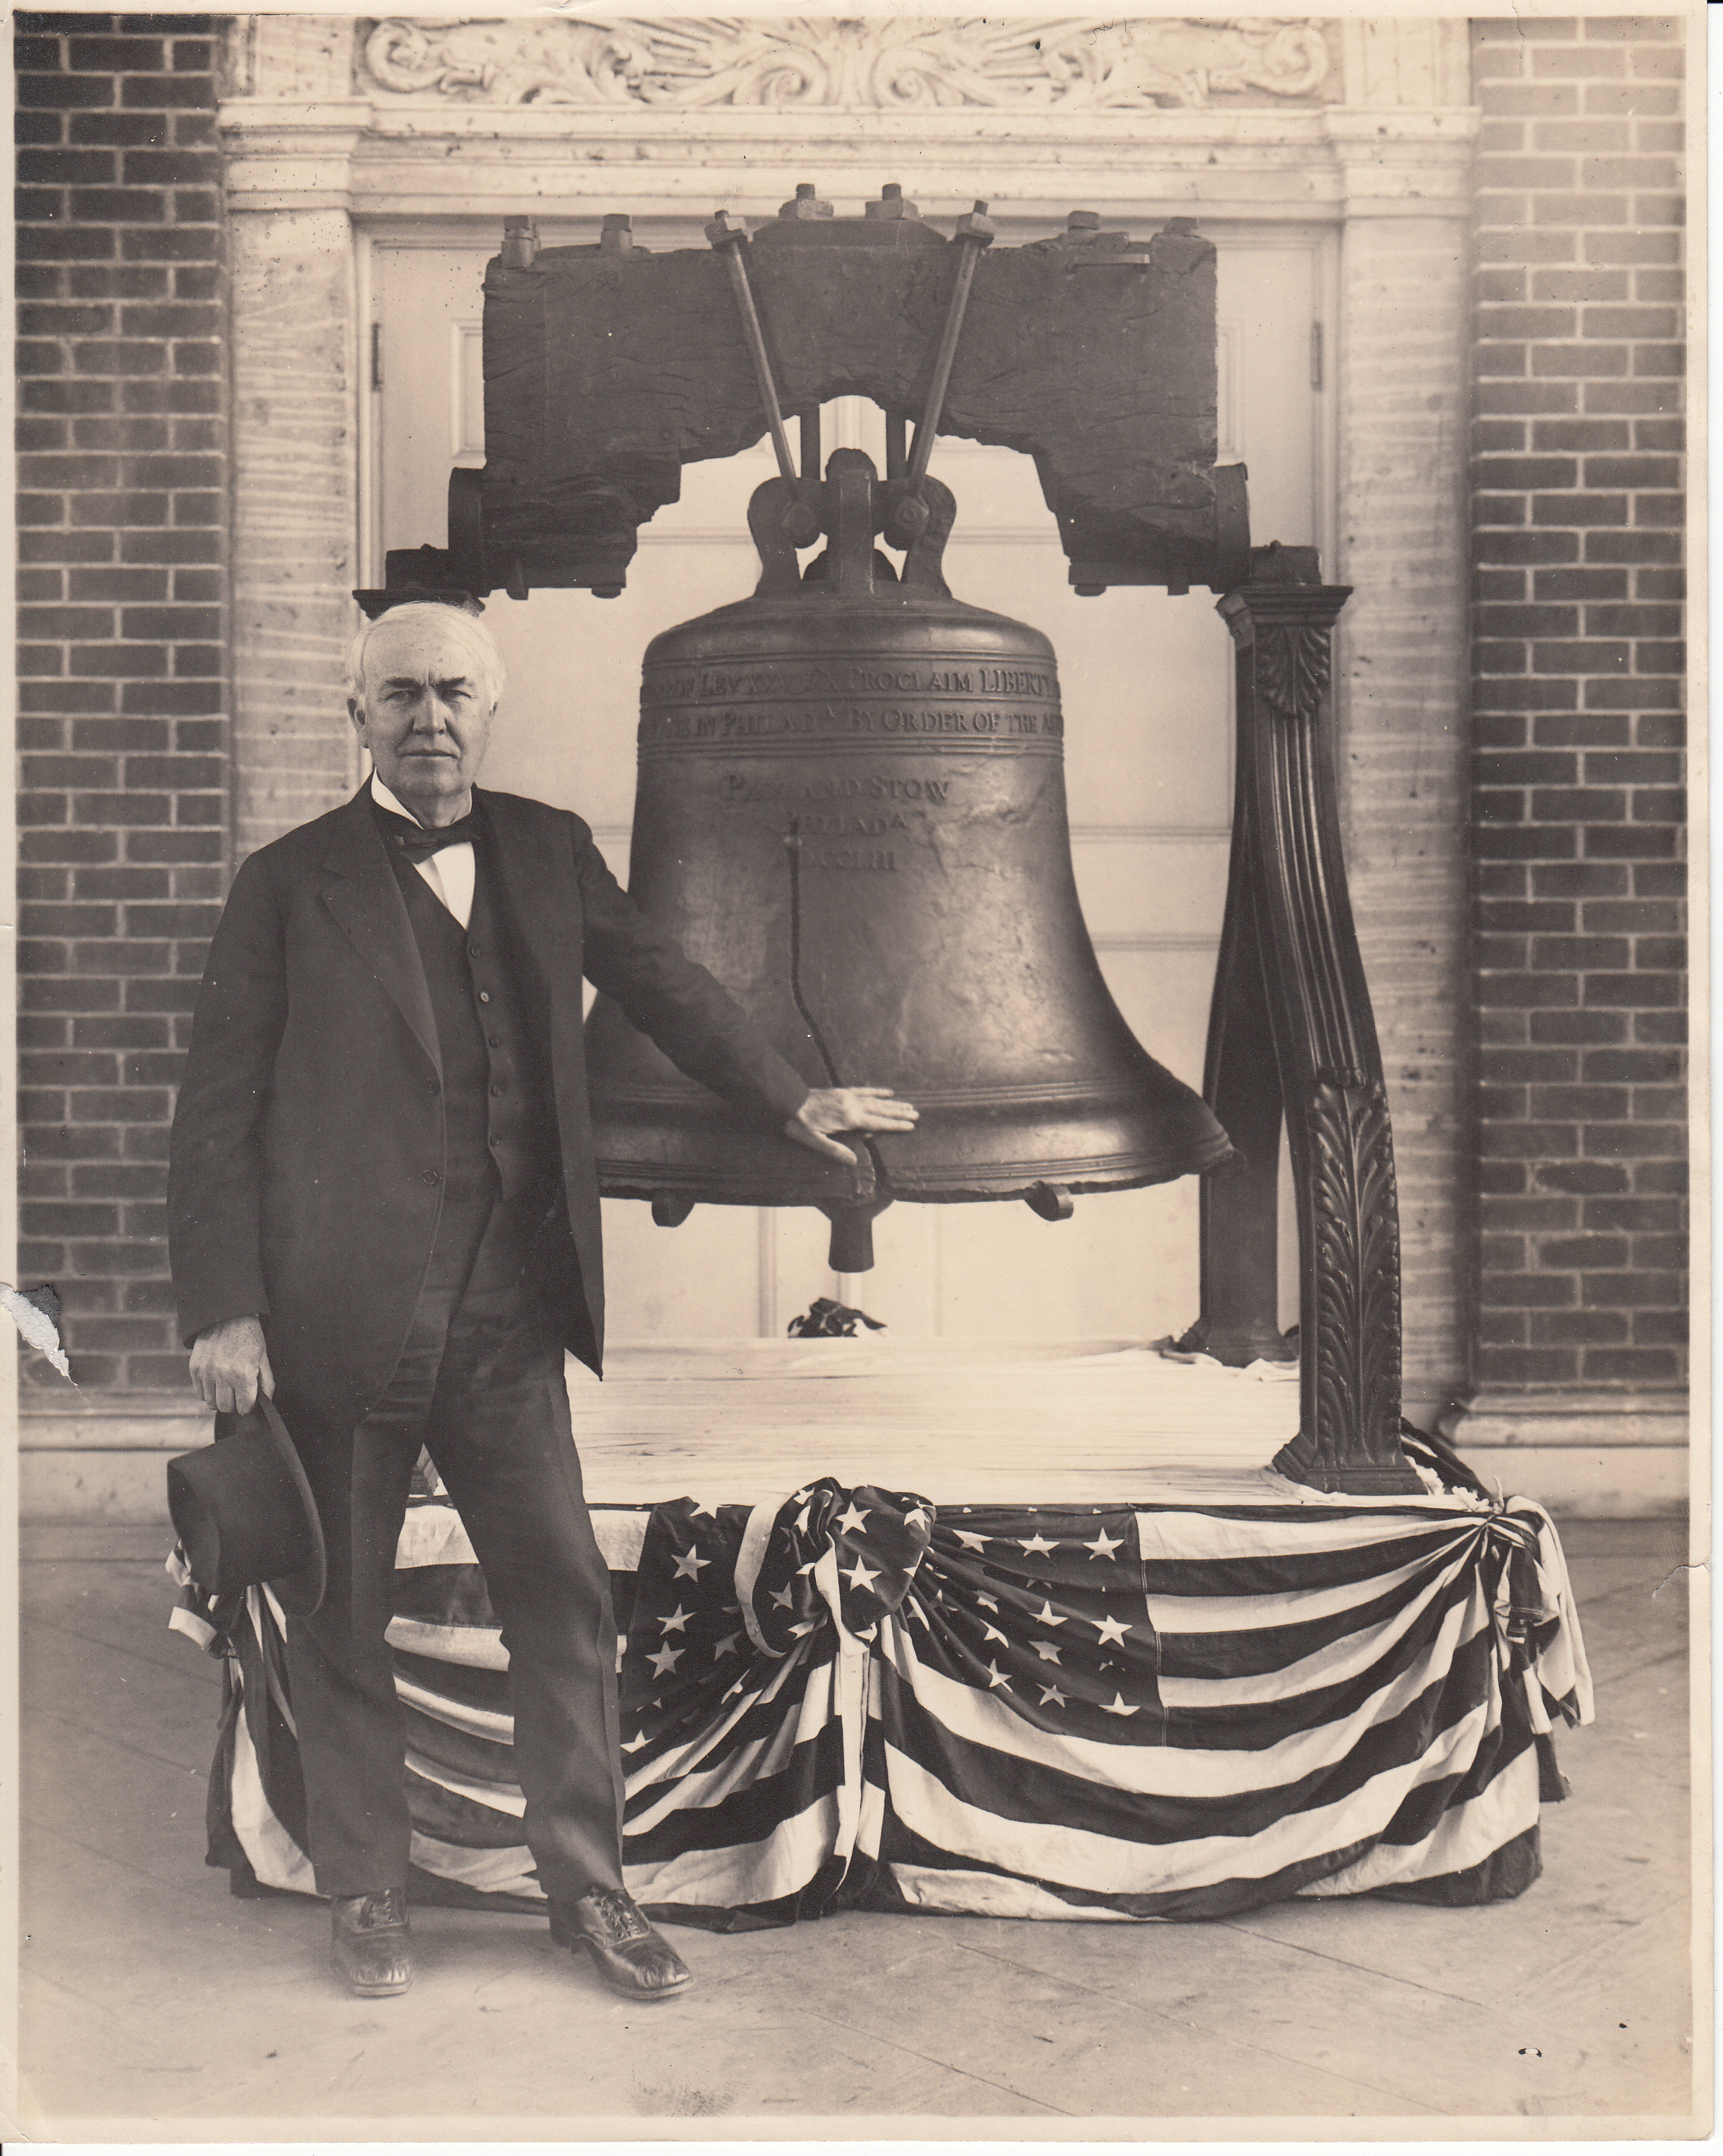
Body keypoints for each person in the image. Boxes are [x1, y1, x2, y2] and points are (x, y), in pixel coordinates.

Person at [167, 600, 917, 2002]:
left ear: (491, 707)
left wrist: (788, 1094)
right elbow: (213, 1115)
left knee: (563, 1602)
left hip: (507, 1320)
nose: (429, 717)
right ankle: (370, 1889)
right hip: (337, 1323)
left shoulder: (550, 850)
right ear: (358, 717)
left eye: (453, 690)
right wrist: (224, 1308)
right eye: (398, 696)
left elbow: (670, 989)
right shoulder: (285, 884)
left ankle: (592, 1891)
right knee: (342, 1613)